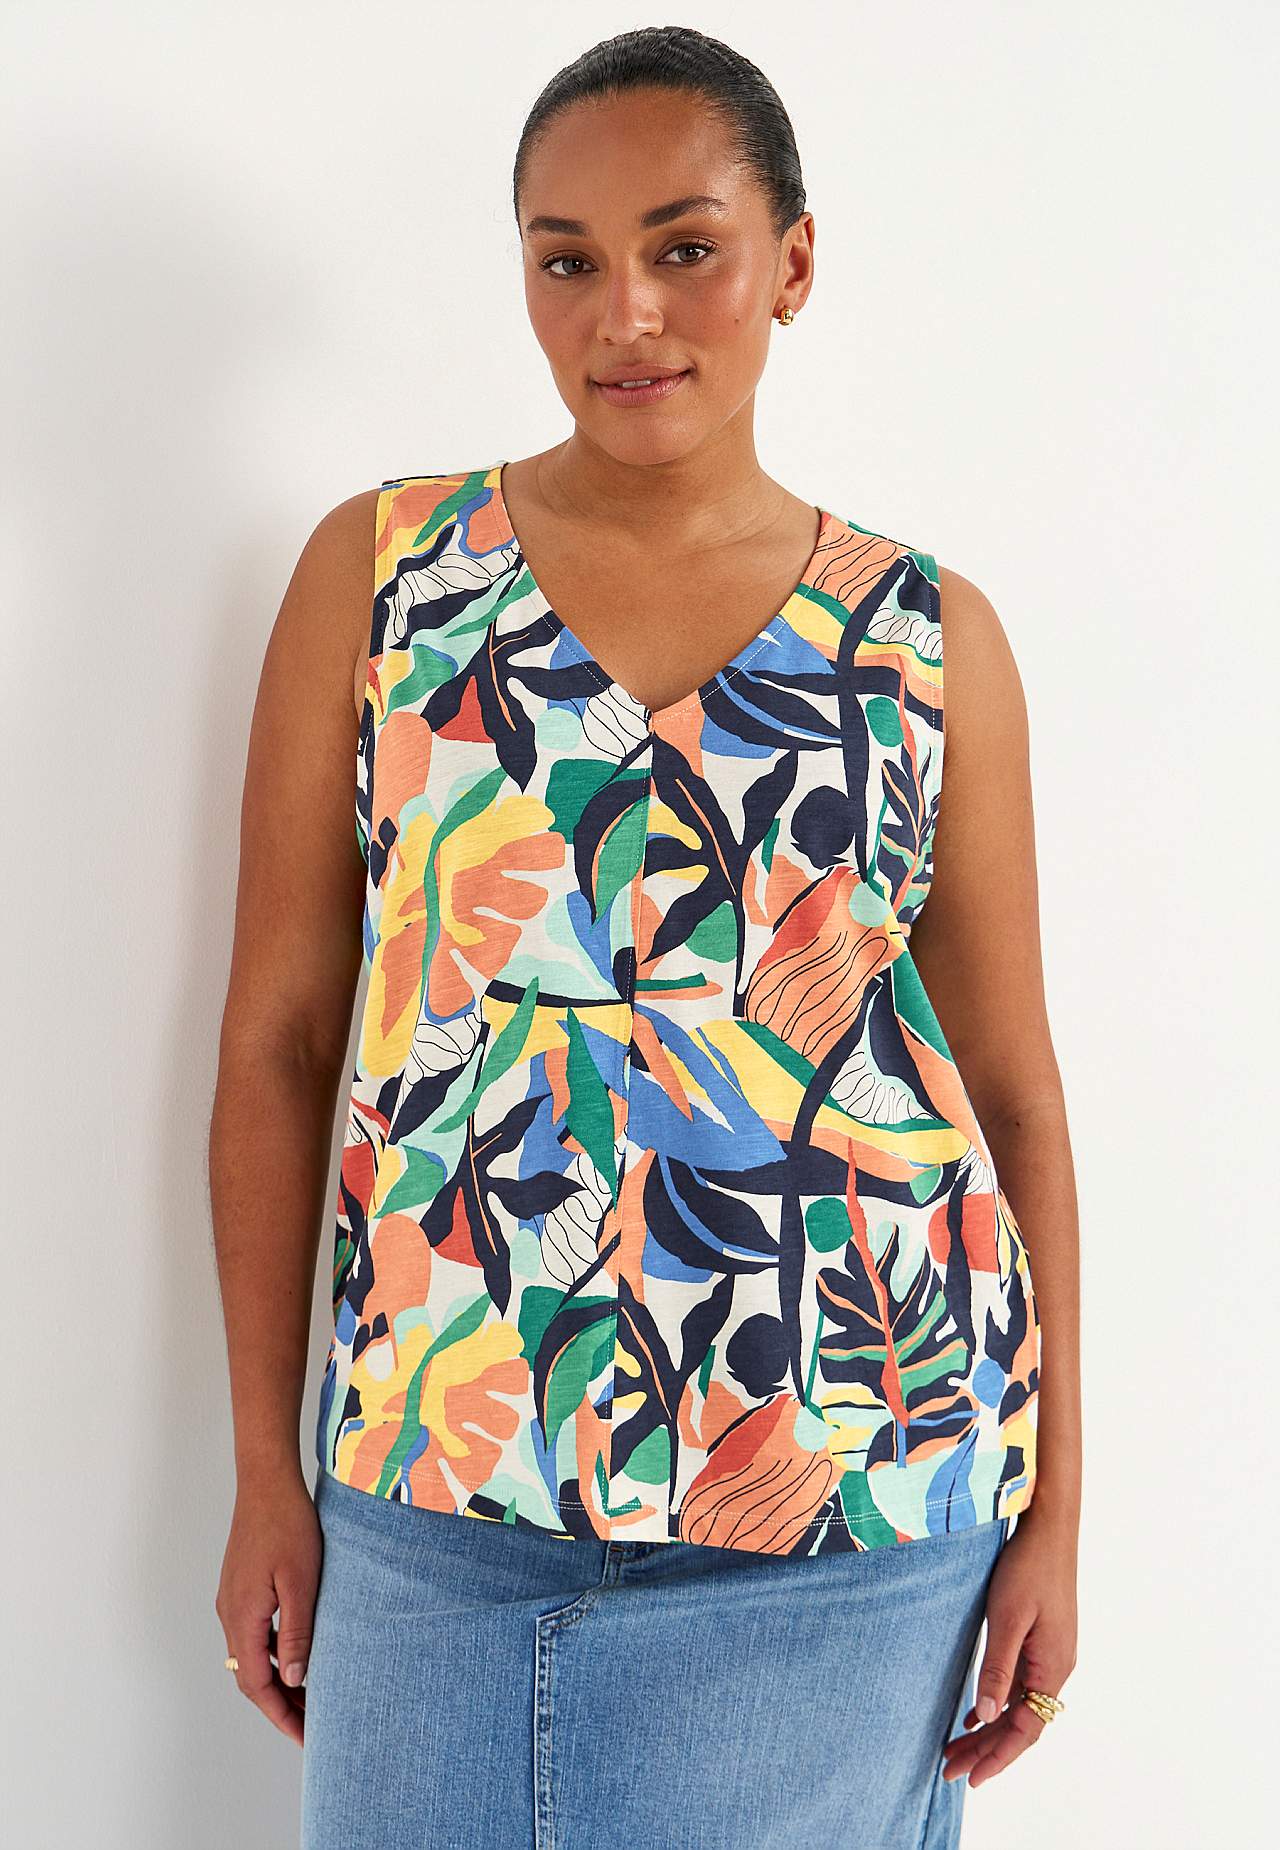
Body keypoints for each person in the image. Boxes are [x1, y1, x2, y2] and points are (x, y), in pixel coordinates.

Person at [210, 25, 1080, 1850]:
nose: (627, 315)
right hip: (436, 1498)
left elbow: (1007, 1085)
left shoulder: (926, 639)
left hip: (851, 1517)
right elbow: (284, 1038)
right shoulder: (381, 577)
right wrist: (264, 1473)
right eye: (568, 259)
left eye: (686, 247)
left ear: (793, 261)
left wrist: (1058, 1514)